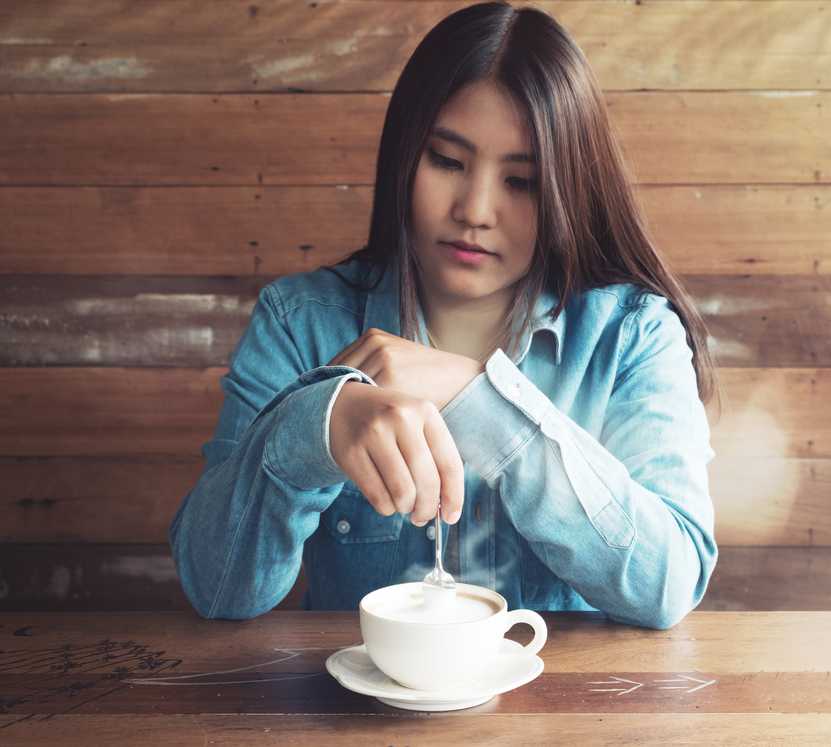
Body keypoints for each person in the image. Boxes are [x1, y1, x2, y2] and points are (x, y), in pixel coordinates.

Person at [169, 1, 718, 630]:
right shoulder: (300, 322)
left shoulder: (631, 335)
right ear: (405, 155)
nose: (475, 210)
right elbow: (216, 591)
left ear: (567, 189)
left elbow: (670, 584)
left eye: (523, 183)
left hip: (566, 718)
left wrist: (478, 398)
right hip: (359, 717)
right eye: (448, 162)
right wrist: (313, 429)